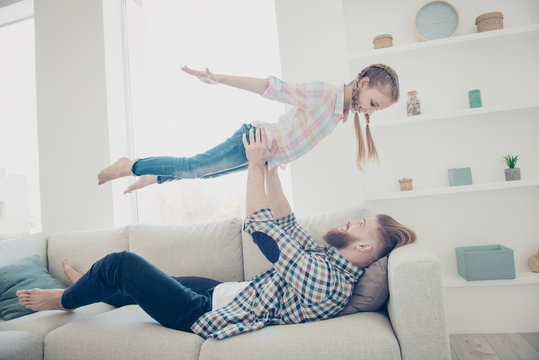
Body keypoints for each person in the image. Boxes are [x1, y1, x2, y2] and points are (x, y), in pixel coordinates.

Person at [17, 128, 416, 339]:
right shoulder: (331, 262)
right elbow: (287, 224)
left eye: (359, 224)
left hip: (202, 313)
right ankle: (92, 286)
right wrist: (274, 171)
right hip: (224, 292)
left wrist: (255, 165)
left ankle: (66, 299)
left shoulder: (329, 282)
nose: (351, 223)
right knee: (150, 282)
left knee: (121, 264)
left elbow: (262, 229)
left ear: (364, 245)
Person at [97, 64, 400, 194]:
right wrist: (219, 78)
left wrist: (279, 158)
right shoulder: (325, 95)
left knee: (206, 173)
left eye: (375, 109)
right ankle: (131, 165)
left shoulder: (340, 112)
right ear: (363, 84)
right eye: (373, 103)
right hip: (253, 140)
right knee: (196, 166)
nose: (369, 111)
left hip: (262, 153)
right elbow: (274, 88)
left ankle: (153, 175)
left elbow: (297, 132)